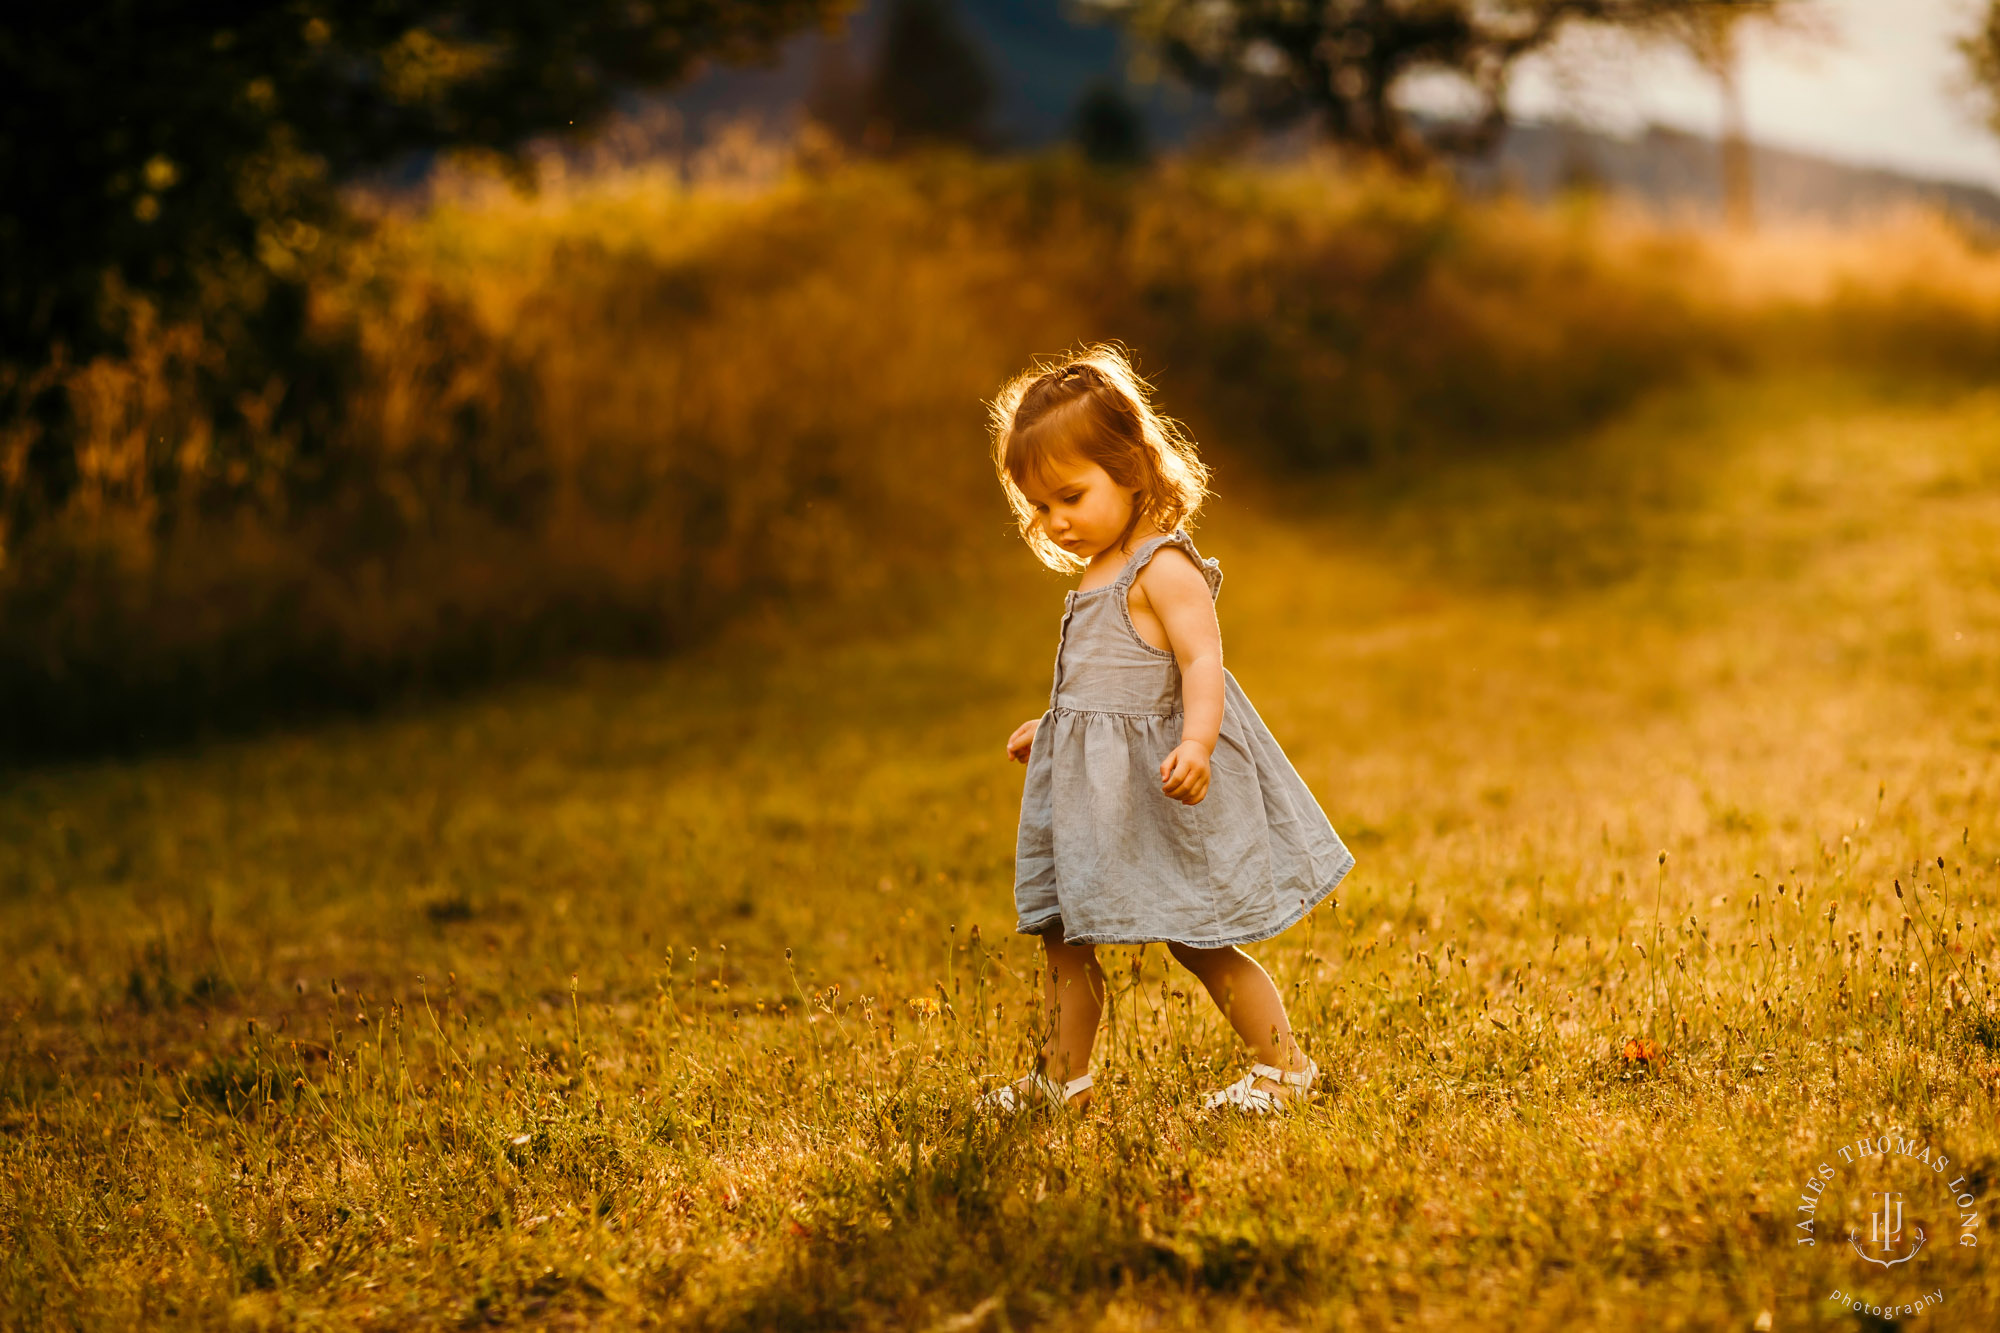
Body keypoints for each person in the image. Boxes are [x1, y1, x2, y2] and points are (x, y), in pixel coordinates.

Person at [976, 345, 1357, 1118]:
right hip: (1091, 798)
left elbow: (1200, 660)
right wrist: (1052, 728)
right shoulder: (1097, 572)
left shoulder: (1161, 567)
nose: (1054, 522)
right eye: (1039, 507)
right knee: (1063, 935)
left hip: (1158, 790)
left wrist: (1198, 742)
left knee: (1199, 937)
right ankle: (1061, 1079)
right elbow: (1103, 682)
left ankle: (1285, 1068)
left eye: (1069, 497)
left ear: (1134, 467)